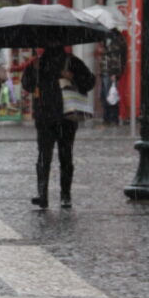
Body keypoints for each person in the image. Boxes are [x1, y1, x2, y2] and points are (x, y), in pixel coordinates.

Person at [20, 43, 95, 209]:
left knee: (45, 156)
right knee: (64, 156)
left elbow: (27, 85)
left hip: (50, 116)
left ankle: (44, 194)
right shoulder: (70, 61)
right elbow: (89, 82)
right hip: (63, 117)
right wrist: (72, 76)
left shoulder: (41, 62)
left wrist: (69, 75)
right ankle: (64, 196)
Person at [99, 29, 126, 125]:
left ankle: (111, 118)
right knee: (107, 95)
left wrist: (114, 73)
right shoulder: (112, 43)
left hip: (109, 73)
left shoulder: (114, 44)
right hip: (106, 72)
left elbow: (115, 59)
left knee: (110, 96)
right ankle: (109, 117)